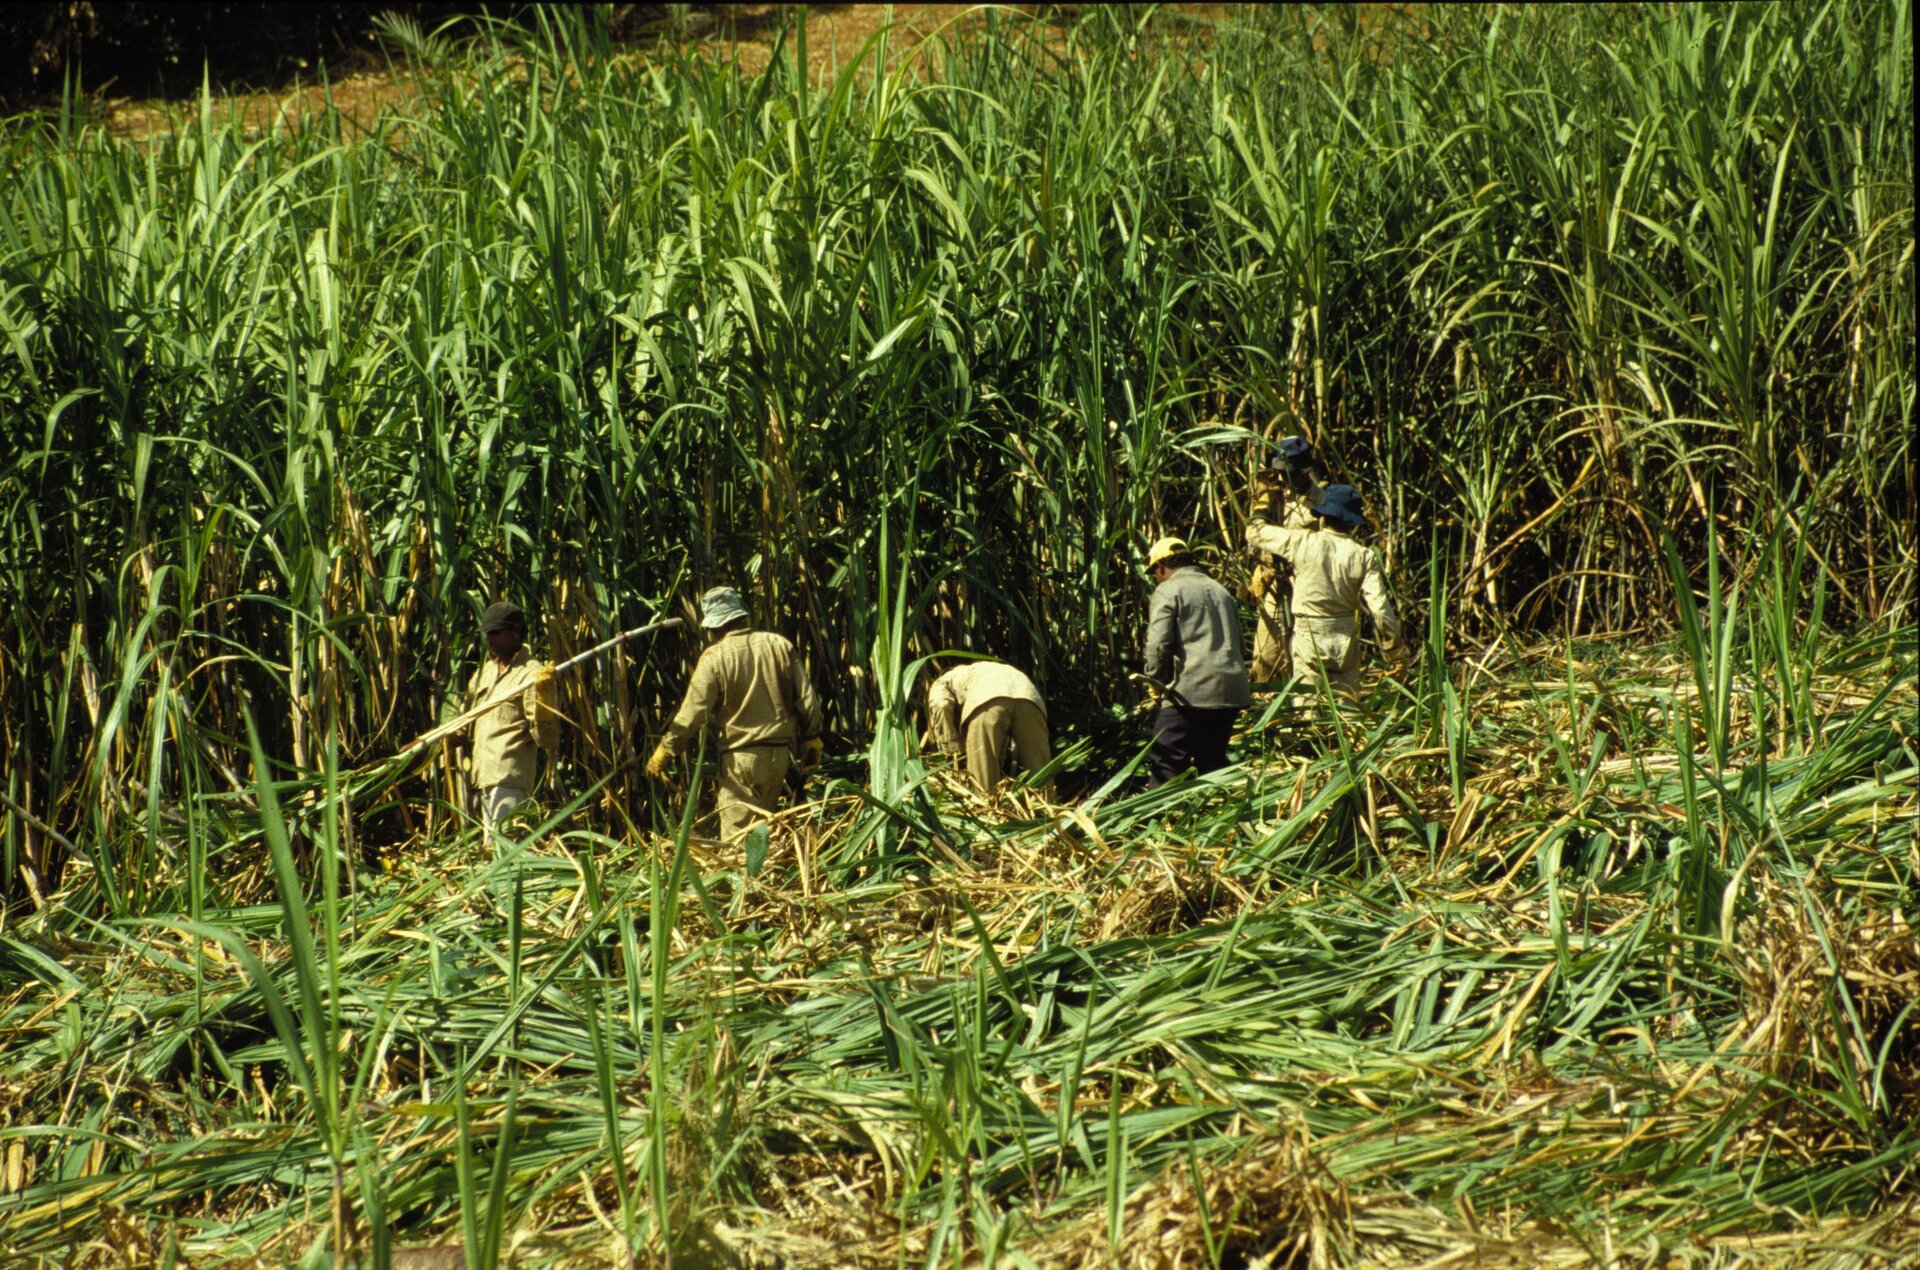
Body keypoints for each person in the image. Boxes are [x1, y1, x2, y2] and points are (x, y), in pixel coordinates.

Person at [645, 586, 823, 839]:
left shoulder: (715, 657)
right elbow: (807, 700)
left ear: (713, 627)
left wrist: (665, 751)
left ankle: (744, 880)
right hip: (780, 756)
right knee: (763, 836)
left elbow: (691, 713)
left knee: (738, 842)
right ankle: (764, 878)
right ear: (741, 616)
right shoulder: (779, 645)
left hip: (742, 761)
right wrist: (812, 738)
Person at [1245, 484, 1407, 698]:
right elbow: (1380, 610)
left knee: (1309, 710)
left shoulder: (1302, 542)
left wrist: (1262, 504)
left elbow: (1254, 533)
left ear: (1322, 516)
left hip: (1309, 636)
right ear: (1351, 523)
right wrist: (1394, 652)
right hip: (1345, 638)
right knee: (1348, 712)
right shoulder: (1364, 555)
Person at [1141, 536, 1252, 785]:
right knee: (1211, 760)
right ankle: (1213, 816)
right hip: (1230, 691)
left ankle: (1162, 816)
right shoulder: (1220, 591)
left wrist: (1155, 681)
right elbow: (1240, 645)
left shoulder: (1169, 589)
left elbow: (1158, 644)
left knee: (1166, 758)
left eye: (1154, 574)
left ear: (1161, 568)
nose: (1156, 579)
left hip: (1191, 690)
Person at [450, 601, 557, 831]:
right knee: (492, 853)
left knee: (504, 853)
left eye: (496, 632)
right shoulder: (485, 672)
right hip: (482, 778)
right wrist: (427, 746)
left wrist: (545, 706)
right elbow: (464, 724)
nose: (490, 638)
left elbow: (547, 740)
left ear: (516, 631)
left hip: (509, 778)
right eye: (488, 633)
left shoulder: (532, 674)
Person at [1248, 435, 1327, 684]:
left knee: (1306, 659)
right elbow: (1255, 534)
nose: (1283, 478)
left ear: (1305, 471)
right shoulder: (1274, 494)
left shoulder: (1321, 504)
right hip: (1273, 587)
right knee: (1265, 659)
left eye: (1289, 472)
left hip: (1306, 590)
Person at [923, 659, 1053, 798]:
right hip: (1029, 698)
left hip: (987, 699)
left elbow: (941, 705)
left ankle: (986, 814)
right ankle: (1051, 813)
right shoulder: (982, 670)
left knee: (983, 778)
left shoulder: (943, 681)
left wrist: (952, 749)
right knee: (1041, 772)